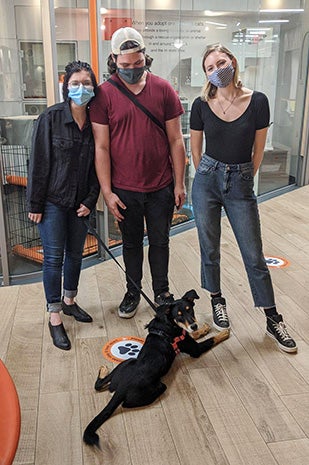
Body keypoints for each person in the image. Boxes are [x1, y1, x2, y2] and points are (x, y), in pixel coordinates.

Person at [190, 44, 297, 353]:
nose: (216, 70)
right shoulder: (201, 104)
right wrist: (205, 174)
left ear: (232, 63)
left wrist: (243, 176)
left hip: (240, 180)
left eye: (220, 62)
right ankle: (217, 299)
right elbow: (195, 149)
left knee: (253, 253)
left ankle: (272, 316)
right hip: (207, 179)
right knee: (209, 249)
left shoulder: (258, 101)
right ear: (206, 73)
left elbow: (258, 150)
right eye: (210, 67)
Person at [90, 27, 186, 318]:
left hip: (161, 186)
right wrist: (107, 192)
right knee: (131, 244)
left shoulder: (163, 89)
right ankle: (133, 291)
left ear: (146, 57)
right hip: (124, 188)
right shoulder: (104, 95)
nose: (132, 69)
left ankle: (161, 291)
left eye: (138, 63)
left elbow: (176, 140)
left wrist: (180, 183)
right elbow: (102, 147)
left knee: (160, 241)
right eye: (125, 65)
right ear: (114, 60)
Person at [27, 61, 100, 350]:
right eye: (75, 83)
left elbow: (100, 165)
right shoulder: (50, 118)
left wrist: (90, 201)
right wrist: (35, 203)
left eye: (87, 82)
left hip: (80, 203)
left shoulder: (97, 122)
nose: (81, 88)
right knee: (54, 258)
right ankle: (54, 315)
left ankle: (70, 301)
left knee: (76, 256)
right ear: (66, 87)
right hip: (53, 202)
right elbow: (39, 163)